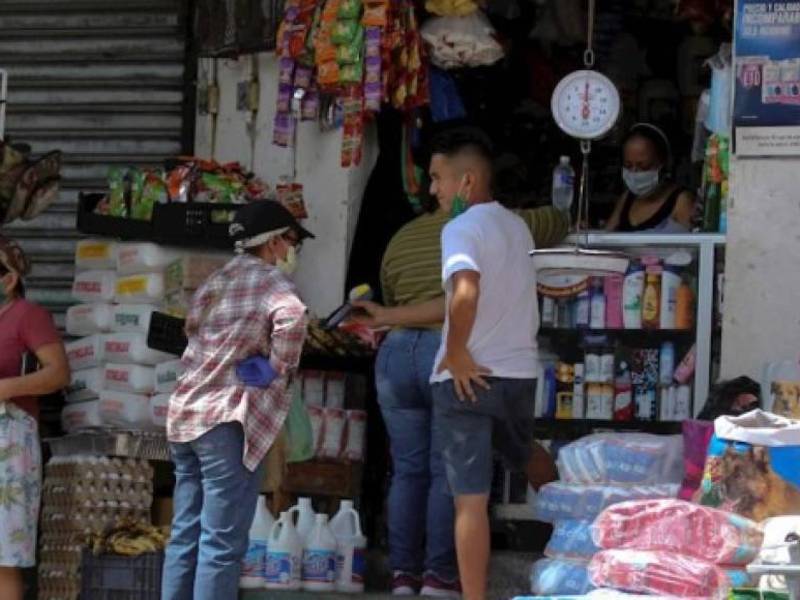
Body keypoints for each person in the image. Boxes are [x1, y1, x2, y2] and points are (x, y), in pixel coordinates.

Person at [355, 128, 563, 599]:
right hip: (517, 373)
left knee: (467, 497)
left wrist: (455, 352)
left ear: (466, 182)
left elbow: (464, 291)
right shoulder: (516, 226)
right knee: (527, 452)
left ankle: (459, 593)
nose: (433, 190)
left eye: (438, 179)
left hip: (467, 378)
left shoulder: (460, 228)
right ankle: (575, 533)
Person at [162, 201, 312, 600]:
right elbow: (293, 317)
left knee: (185, 537)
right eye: (292, 241)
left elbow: (191, 329)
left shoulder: (217, 281)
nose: (292, 251)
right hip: (225, 422)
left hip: (184, 418)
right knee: (221, 545)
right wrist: (277, 367)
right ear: (275, 241)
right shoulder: (271, 283)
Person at [0, 236, 69, 600]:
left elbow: (58, 373)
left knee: (2, 557)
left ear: (9, 279)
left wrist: (6, 388)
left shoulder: (28, 315)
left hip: (9, 445)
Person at [605, 123, 695, 233]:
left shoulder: (681, 201)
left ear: (662, 164)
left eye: (643, 166)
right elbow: (605, 238)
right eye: (628, 166)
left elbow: (693, 246)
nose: (634, 172)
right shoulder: (627, 199)